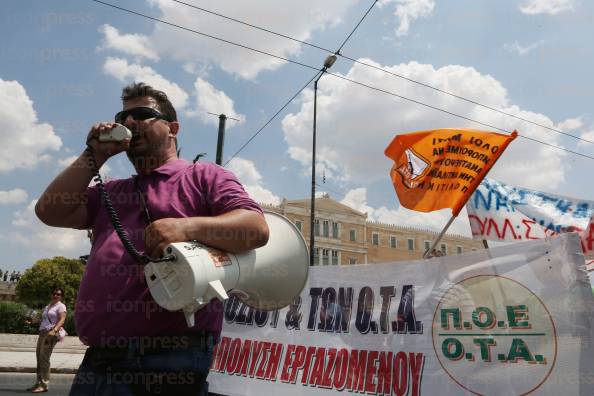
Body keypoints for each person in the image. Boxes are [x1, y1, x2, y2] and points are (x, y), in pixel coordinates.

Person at [35, 82, 269, 395]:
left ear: (173, 128)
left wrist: (187, 228)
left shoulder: (204, 176)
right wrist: (93, 155)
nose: (129, 123)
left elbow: (255, 228)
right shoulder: (115, 190)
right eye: (123, 117)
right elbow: (50, 211)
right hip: (100, 359)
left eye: (142, 114)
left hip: (170, 357)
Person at [26, 288, 67, 393]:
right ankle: (38, 383)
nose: (55, 295)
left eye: (58, 294)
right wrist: (32, 321)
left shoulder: (61, 306)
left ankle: (44, 384)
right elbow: (43, 320)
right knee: (39, 358)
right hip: (42, 333)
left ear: (61, 296)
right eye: (54, 293)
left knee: (44, 359)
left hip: (50, 334)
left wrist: (55, 330)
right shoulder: (47, 307)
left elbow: (62, 319)